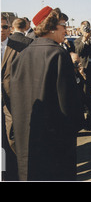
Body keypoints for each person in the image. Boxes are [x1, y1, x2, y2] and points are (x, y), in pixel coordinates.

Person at [10, 6, 84, 181]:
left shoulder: (23, 54)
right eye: (63, 25)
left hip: (27, 132)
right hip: (55, 135)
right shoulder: (58, 54)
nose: (66, 30)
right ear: (51, 27)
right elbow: (67, 100)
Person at [1, 15, 31, 180]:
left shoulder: (19, 47)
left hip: (11, 103)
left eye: (5, 27)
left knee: (12, 142)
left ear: (10, 29)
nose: (1, 30)